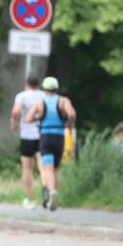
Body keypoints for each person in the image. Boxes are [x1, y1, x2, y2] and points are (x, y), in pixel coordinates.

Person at [26, 76, 77, 211]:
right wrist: (69, 125)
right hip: (59, 137)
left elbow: (28, 118)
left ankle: (51, 192)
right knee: (55, 168)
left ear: (44, 88)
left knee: (47, 168)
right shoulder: (63, 101)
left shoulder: (40, 102)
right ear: (56, 88)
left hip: (46, 136)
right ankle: (54, 194)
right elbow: (72, 114)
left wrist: (40, 118)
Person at [10, 76, 47, 209]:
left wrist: (14, 123)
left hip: (26, 135)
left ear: (27, 84)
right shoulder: (44, 95)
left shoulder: (22, 96)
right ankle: (46, 191)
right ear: (39, 85)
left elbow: (15, 111)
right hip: (42, 134)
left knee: (27, 168)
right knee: (43, 166)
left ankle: (30, 198)